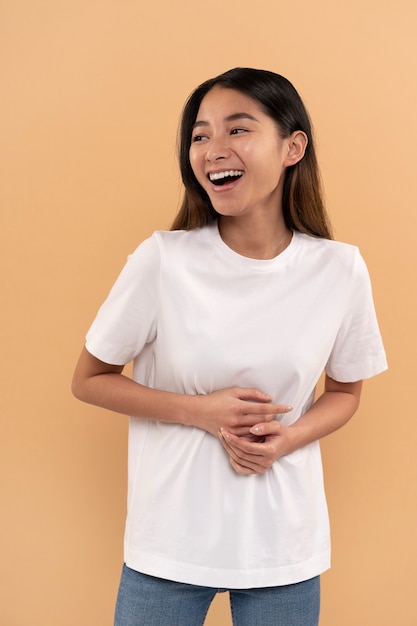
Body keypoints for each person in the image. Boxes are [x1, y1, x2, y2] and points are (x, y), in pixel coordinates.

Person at [72, 67, 387, 626]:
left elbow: (345, 393)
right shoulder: (163, 260)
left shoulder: (339, 269)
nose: (213, 149)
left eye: (237, 129)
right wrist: (202, 412)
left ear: (293, 147)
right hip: (168, 540)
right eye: (200, 135)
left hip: (282, 546)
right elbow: (89, 379)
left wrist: (287, 439)